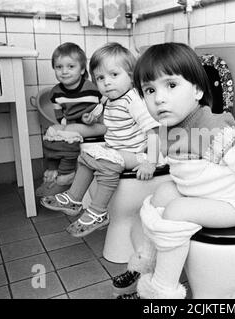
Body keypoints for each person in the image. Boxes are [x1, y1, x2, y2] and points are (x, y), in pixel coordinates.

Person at [114, 42, 235, 299]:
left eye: (171, 85)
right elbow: (166, 156)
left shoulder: (211, 130)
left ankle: (161, 289)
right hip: (203, 195)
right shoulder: (168, 126)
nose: (159, 98)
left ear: (196, 90)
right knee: (160, 194)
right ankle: (146, 262)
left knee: (175, 210)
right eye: (150, 90)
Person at [40, 42, 161, 238]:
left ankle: (98, 212)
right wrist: (91, 118)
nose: (107, 82)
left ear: (130, 76)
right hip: (117, 150)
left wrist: (151, 163)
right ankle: (74, 198)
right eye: (100, 78)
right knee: (86, 156)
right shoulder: (108, 100)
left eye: (114, 75)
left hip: (137, 155)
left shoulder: (133, 101)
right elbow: (102, 119)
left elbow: (153, 131)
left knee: (105, 163)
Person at [36, 42, 106, 197]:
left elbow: (102, 109)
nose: (64, 71)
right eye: (59, 67)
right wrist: (60, 128)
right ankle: (52, 170)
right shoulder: (55, 93)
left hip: (97, 124)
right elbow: (60, 116)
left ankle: (66, 175)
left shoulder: (92, 88)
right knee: (52, 131)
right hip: (74, 125)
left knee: (69, 132)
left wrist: (91, 118)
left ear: (82, 69)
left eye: (70, 67)